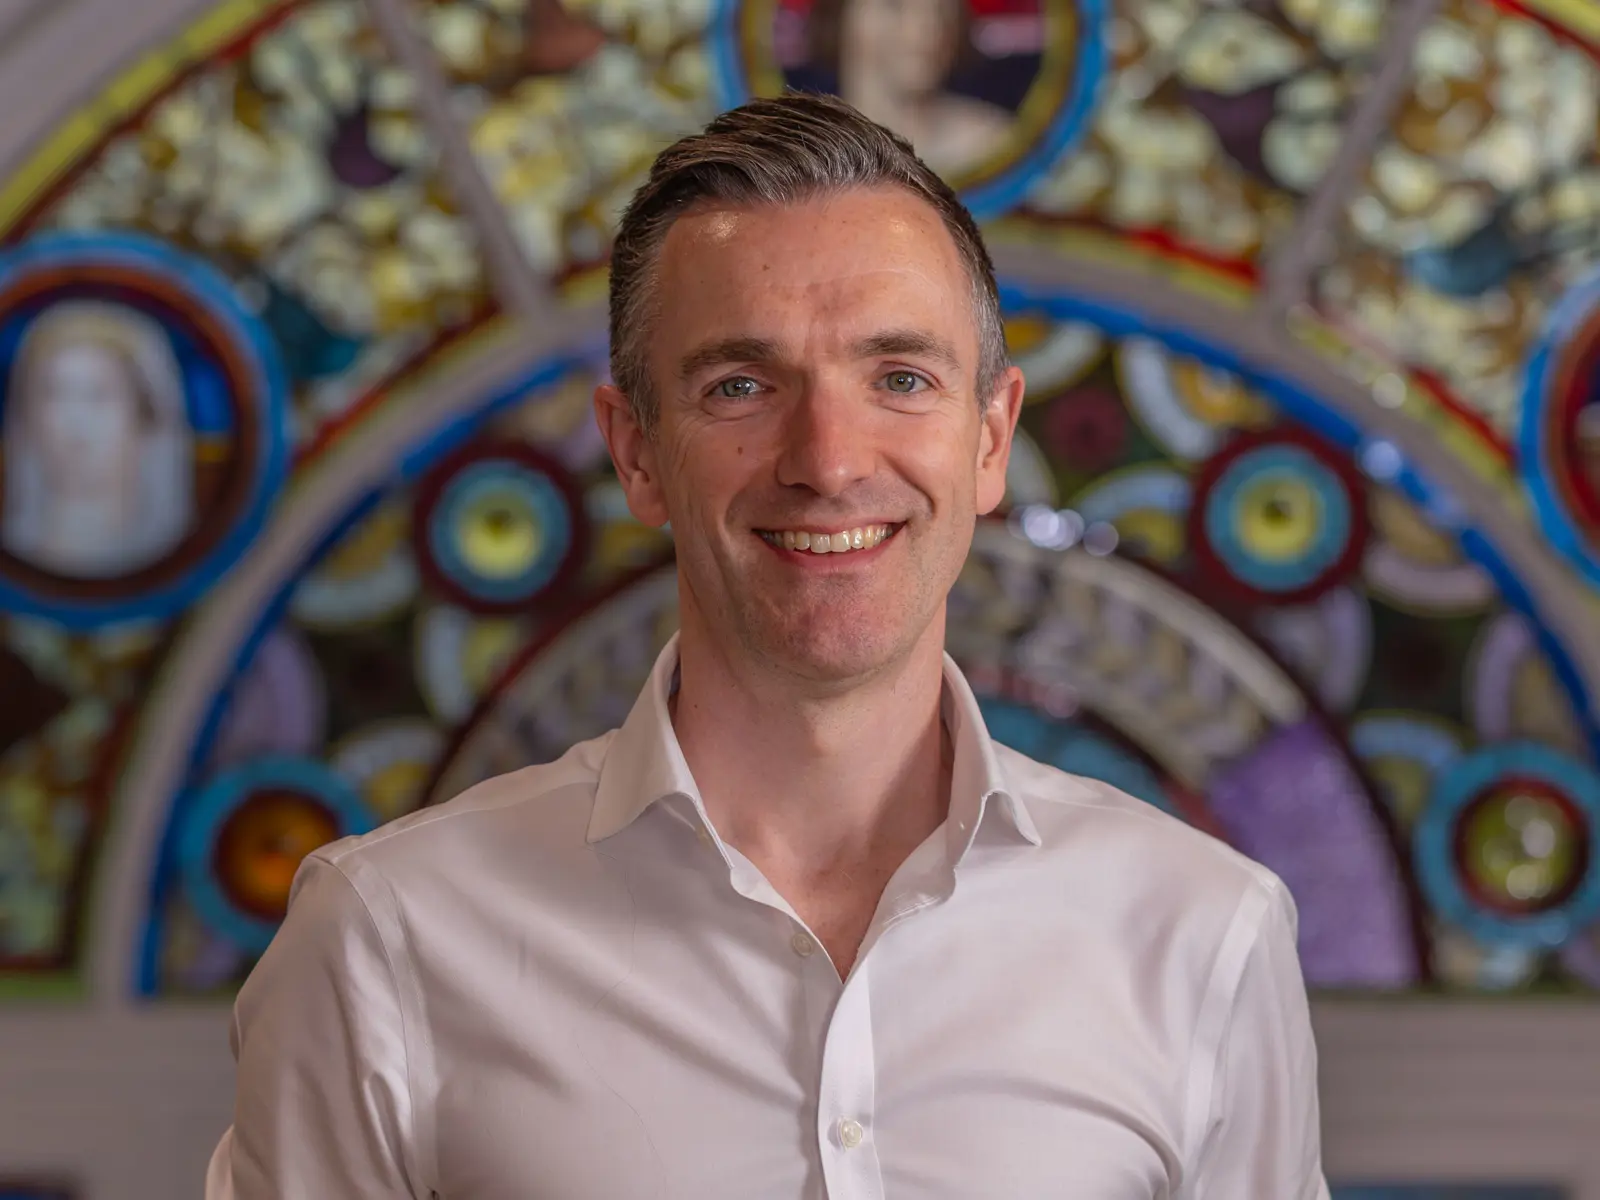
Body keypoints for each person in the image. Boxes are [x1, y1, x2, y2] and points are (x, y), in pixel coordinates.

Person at [207, 93, 1331, 1198]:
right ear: (636, 450)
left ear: (989, 440)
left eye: (899, 379)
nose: (829, 460)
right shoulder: (386, 941)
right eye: (741, 385)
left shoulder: (1199, 933)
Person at [1, 300, 194, 579]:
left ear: (144, 418)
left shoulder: (179, 558)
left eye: (98, 396)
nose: (76, 422)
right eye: (54, 395)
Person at [806, 0, 1013, 179]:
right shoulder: (803, 148)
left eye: (941, 9)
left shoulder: (995, 144)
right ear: (840, 15)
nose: (926, 27)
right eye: (894, 5)